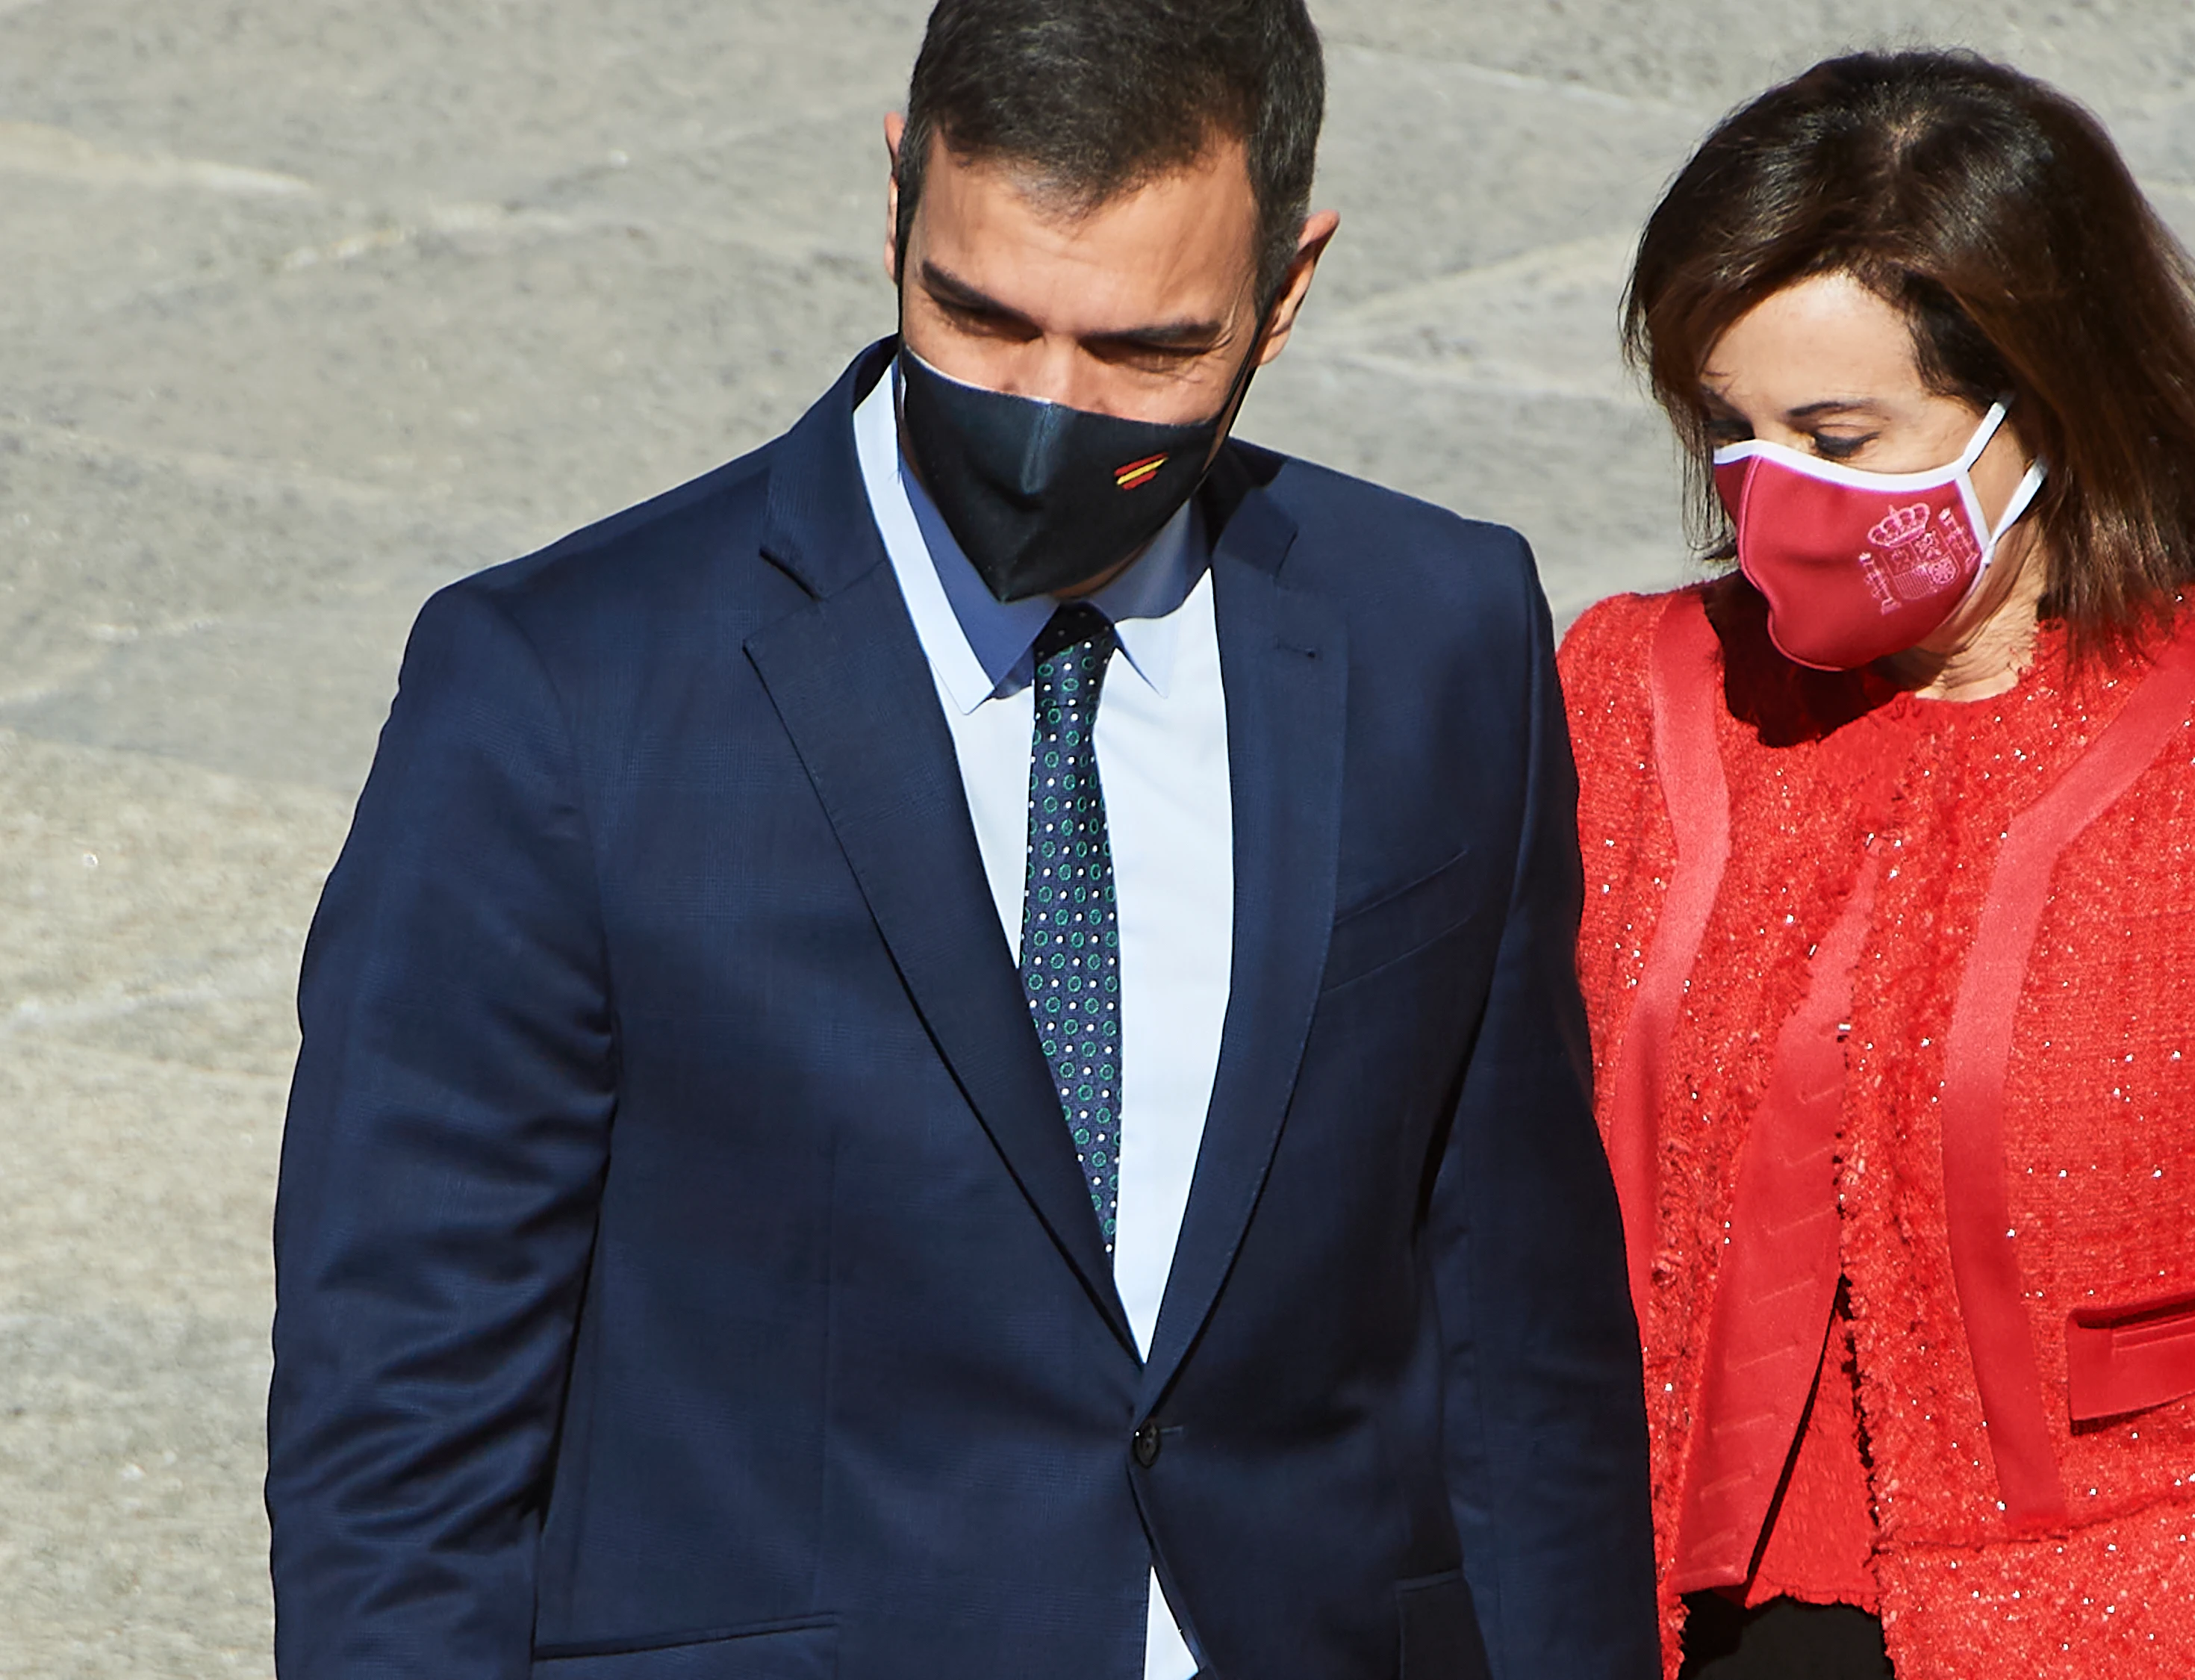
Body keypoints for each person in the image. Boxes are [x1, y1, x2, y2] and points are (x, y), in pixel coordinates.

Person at [266, 3, 1657, 1676]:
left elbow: (1519, 1331)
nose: (1046, 413)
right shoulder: (562, 691)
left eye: (1146, 352)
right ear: (895, 204)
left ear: (1289, 290)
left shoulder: (1434, 631)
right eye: (979, 318)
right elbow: (402, 1417)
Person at [1559, 52, 2195, 1680]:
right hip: (1675, 1613)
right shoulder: (1624, 691)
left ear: (2038, 404)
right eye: (1728, 432)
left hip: (2131, 1626)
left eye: (1837, 435)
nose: (1770, 493)